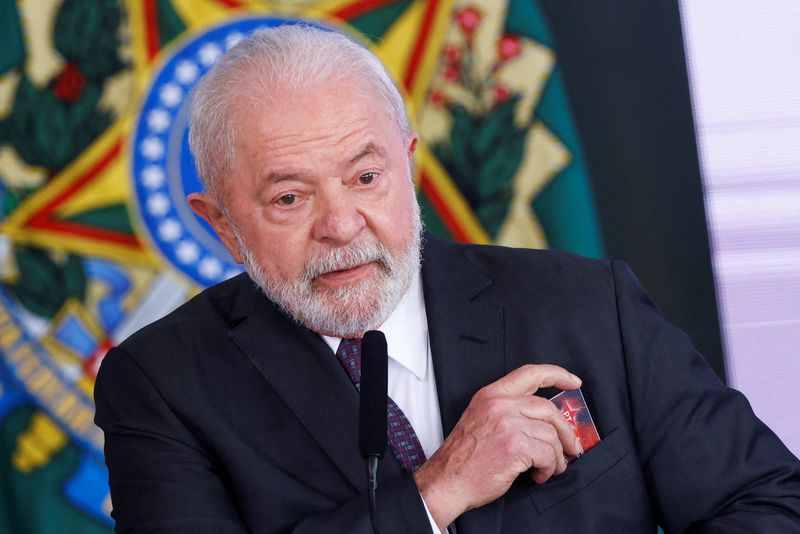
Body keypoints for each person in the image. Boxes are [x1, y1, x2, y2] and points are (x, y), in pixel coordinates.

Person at [94, 24, 800, 533]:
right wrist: (437, 492)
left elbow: (769, 503)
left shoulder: (588, 306)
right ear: (221, 224)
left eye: (366, 177)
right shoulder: (161, 385)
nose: (343, 225)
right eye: (289, 198)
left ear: (409, 164)